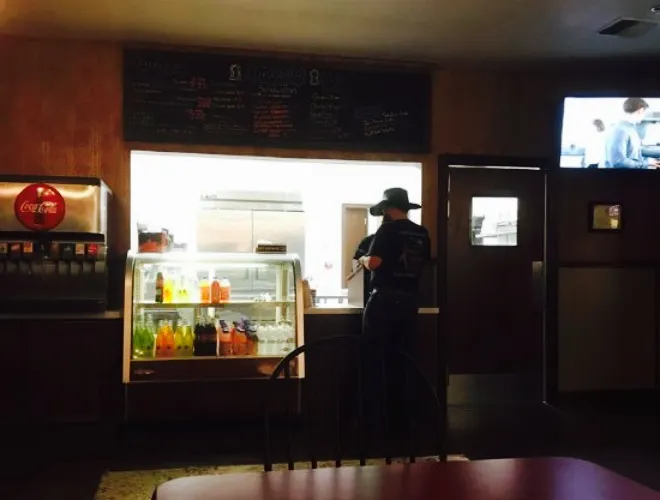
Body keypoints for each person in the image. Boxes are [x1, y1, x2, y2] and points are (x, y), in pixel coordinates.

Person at [358, 188, 431, 433]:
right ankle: (403, 421)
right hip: (410, 302)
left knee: (374, 359)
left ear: (388, 208)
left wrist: (363, 260)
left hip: (384, 301)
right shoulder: (421, 233)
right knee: (403, 359)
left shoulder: (387, 230)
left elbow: (374, 262)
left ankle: (375, 421)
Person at [605, 98, 660, 169]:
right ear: (640, 110)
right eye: (644, 113)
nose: (643, 117)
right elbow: (618, 162)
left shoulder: (630, 128)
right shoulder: (620, 130)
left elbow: (636, 151)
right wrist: (646, 163)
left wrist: (648, 161)